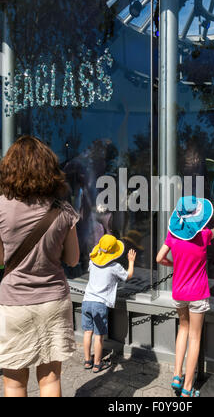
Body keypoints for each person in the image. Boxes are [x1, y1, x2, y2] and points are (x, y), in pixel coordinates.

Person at [0, 135, 80, 397]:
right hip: (53, 301)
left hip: (14, 304)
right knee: (50, 378)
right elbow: (73, 260)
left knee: (14, 382)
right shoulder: (64, 210)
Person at [156, 196, 214, 397]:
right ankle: (188, 388)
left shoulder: (172, 235)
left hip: (179, 291)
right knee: (195, 337)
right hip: (197, 293)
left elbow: (159, 257)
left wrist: (173, 265)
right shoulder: (203, 236)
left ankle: (177, 376)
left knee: (183, 329)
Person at [82, 234, 136, 373]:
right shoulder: (115, 266)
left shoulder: (92, 262)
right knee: (99, 336)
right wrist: (131, 261)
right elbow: (127, 276)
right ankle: (97, 364)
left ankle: (88, 360)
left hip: (87, 301)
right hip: (100, 304)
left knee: (88, 332)